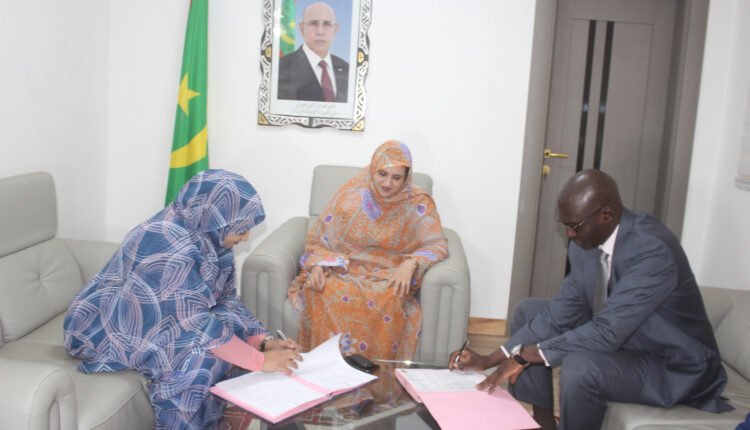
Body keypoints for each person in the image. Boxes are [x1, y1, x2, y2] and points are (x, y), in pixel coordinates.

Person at [451, 169, 733, 430]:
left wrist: (524, 355)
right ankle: (543, 423)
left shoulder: (652, 250)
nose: (569, 235)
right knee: (530, 310)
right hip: (626, 340)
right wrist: (488, 359)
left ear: (606, 215)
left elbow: (607, 333)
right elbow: (560, 313)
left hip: (670, 364)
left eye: (575, 226)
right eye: (565, 225)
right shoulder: (586, 243)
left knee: (580, 366)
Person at [63, 170, 302, 429]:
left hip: (162, 314)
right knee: (198, 359)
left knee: (228, 328)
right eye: (241, 229)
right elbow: (198, 324)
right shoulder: (168, 242)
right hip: (108, 326)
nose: (245, 237)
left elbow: (226, 301)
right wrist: (261, 362)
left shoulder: (210, 237)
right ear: (215, 216)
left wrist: (263, 342)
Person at [288, 140, 448, 361]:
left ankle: (372, 376)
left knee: (389, 297)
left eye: (397, 177)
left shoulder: (418, 202)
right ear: (373, 169)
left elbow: (437, 244)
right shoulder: (350, 196)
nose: (388, 183)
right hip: (344, 269)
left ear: (406, 178)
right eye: (382, 174)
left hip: (390, 274)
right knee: (321, 289)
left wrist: (410, 263)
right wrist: (318, 266)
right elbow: (320, 241)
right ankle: (324, 370)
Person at [277, 2, 349, 102]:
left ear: (335, 30)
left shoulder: (347, 69)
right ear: (302, 29)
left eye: (327, 24)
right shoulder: (281, 68)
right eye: (313, 23)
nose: (320, 32)